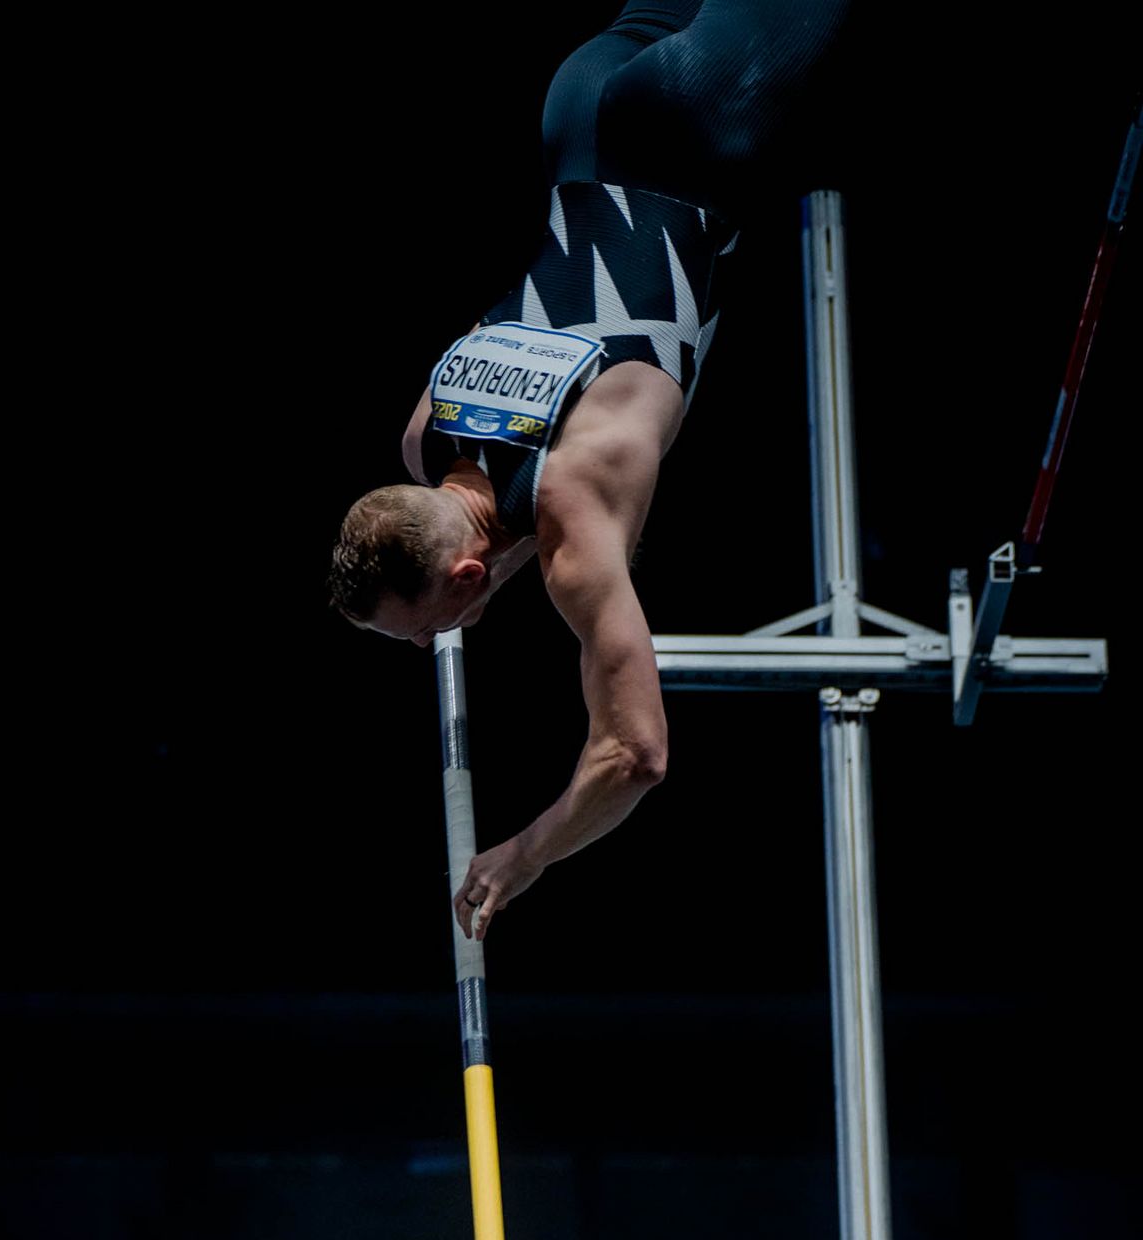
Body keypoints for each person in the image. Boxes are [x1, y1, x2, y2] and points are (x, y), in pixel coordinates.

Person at [328, 2, 855, 941]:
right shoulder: (424, 434)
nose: (426, 648)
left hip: (695, 131)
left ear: (460, 576)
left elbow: (637, 753)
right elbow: (498, 516)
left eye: (420, 631)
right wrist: (482, 581)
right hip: (579, 115)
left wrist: (522, 855)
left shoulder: (573, 527)